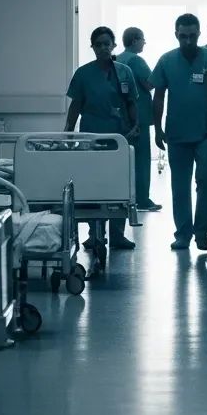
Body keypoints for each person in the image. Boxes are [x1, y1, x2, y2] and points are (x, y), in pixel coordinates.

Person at [65, 26, 139, 249]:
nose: (103, 48)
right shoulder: (84, 74)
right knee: (93, 185)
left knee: (118, 185)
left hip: (119, 136)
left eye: (107, 43)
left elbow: (131, 102)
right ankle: (94, 233)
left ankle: (117, 234)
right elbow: (76, 104)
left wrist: (136, 125)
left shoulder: (124, 71)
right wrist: (68, 131)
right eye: (98, 44)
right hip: (92, 137)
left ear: (114, 45)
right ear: (93, 47)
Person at [150, 14, 207, 251]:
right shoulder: (167, 60)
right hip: (177, 133)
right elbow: (158, 97)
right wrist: (157, 129)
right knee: (179, 186)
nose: (187, 41)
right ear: (176, 35)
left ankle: (202, 233)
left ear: (199, 34)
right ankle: (183, 234)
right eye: (183, 36)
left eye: (192, 36)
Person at [116, 27, 161, 212]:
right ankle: (142, 199)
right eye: (143, 39)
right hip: (138, 118)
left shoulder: (117, 59)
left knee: (123, 160)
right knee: (142, 160)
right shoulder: (136, 60)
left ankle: (122, 197)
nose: (144, 43)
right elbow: (150, 83)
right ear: (135, 40)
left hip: (121, 118)